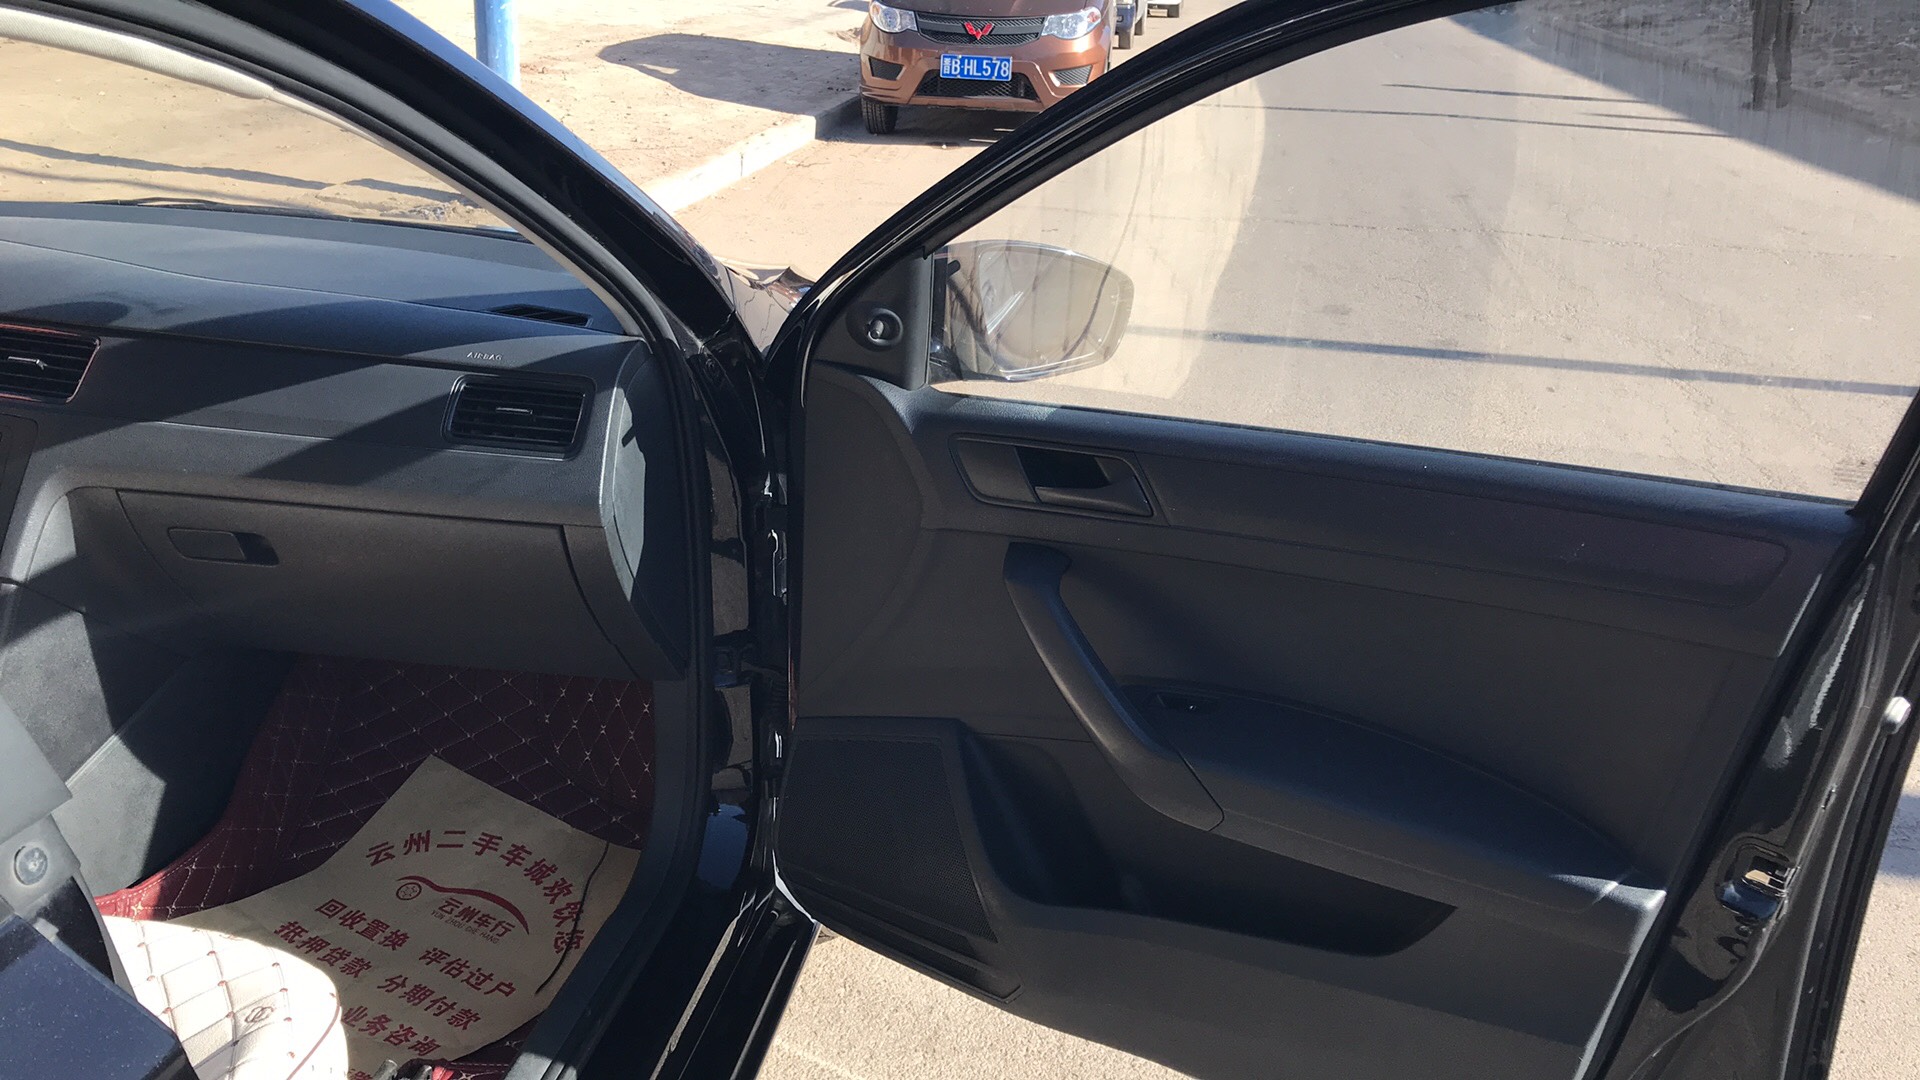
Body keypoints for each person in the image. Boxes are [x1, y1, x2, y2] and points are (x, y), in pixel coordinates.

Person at [1750, 0, 1810, 108]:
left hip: (1769, 4)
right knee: (1782, 46)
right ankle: (1783, 94)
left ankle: (1758, 96)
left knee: (1762, 45)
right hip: (1792, 5)